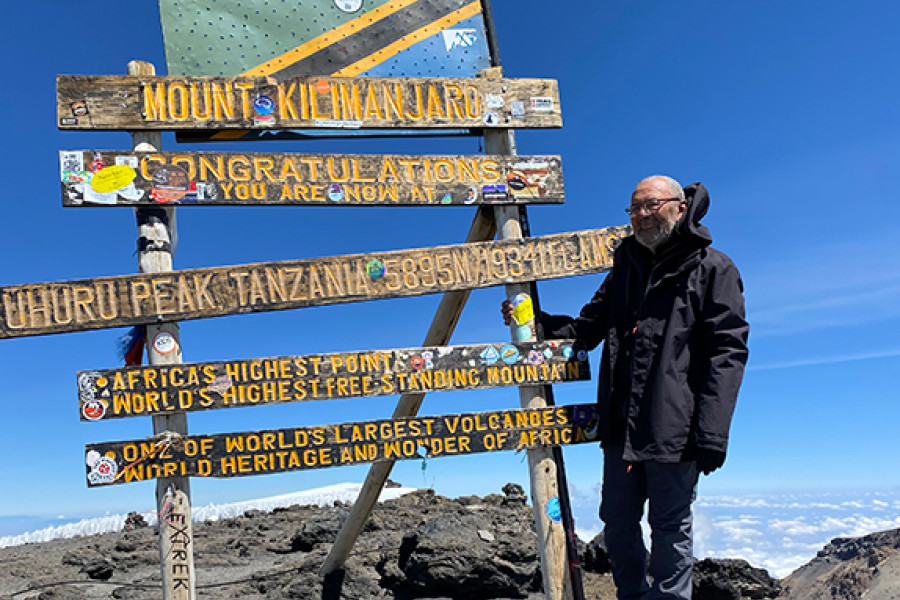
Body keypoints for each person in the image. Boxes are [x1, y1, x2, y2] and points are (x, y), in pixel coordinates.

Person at [502, 175, 749, 600]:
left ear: (680, 207)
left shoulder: (712, 267)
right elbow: (585, 329)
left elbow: (727, 352)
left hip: (675, 429)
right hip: (621, 425)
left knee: (670, 526)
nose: (640, 216)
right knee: (616, 521)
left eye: (650, 205)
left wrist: (711, 433)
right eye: (634, 208)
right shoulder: (625, 268)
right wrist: (533, 320)